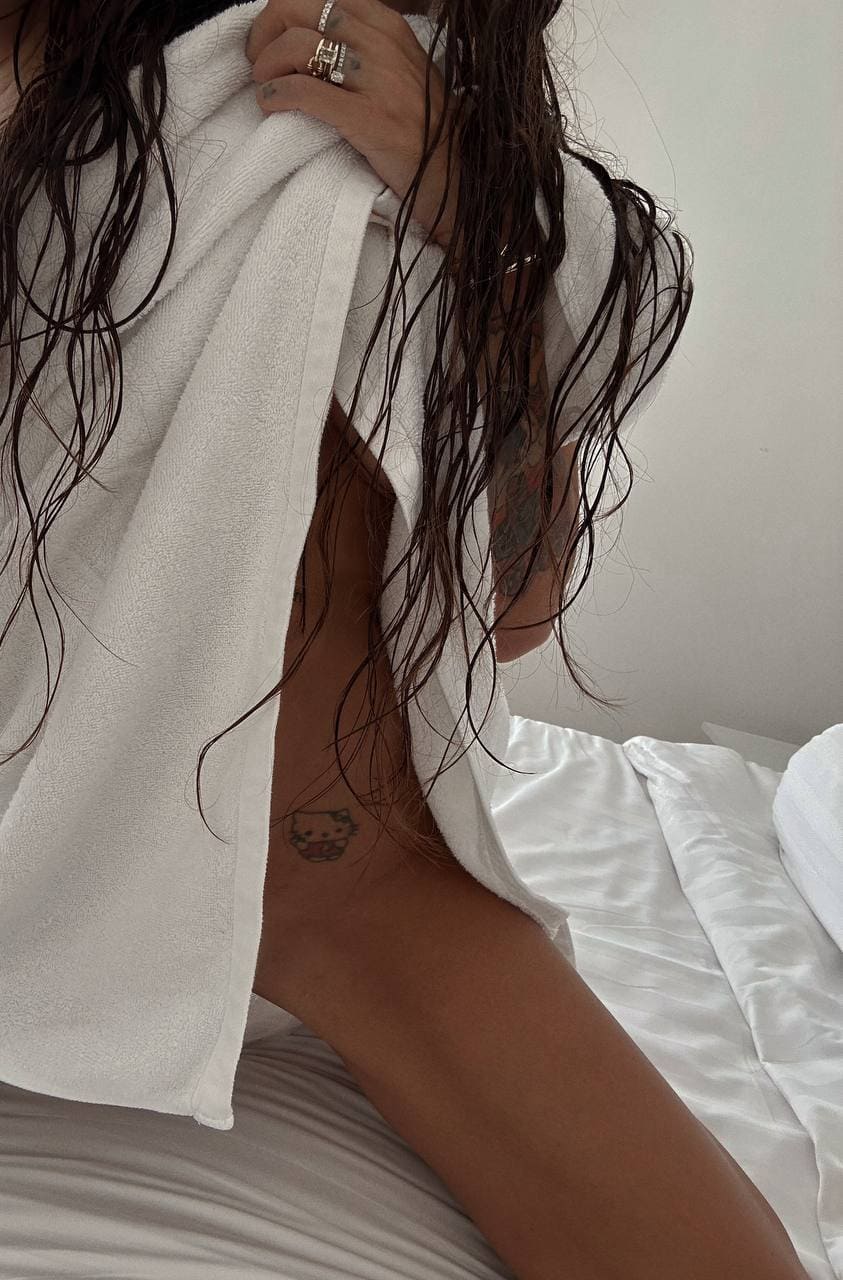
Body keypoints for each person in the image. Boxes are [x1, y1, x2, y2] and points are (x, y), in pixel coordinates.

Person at [0, 2, 809, 1277]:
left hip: (343, 885)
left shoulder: (496, 166)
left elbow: (514, 605)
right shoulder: (63, 60)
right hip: (65, 818)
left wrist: (485, 237)